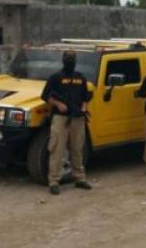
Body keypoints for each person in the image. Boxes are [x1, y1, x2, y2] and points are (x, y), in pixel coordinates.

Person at [41, 50, 92, 195]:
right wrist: (57, 104)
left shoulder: (80, 77)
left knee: (77, 149)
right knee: (57, 149)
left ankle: (79, 178)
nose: (70, 62)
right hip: (61, 118)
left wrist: (83, 108)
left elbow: (85, 97)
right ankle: (54, 181)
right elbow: (45, 96)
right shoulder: (55, 77)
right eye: (68, 59)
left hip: (77, 118)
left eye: (72, 59)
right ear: (63, 61)